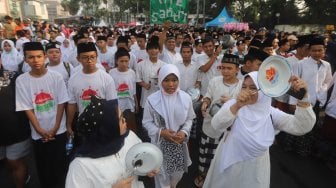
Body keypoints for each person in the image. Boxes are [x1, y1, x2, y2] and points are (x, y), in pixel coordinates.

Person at [203, 71, 316, 188]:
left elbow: (301, 126)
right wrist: (237, 106)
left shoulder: (270, 113)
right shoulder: (233, 105)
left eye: (253, 88)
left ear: (263, 91)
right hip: (228, 165)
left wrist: (303, 99)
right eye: (244, 87)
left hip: (254, 170)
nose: (247, 91)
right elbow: (216, 125)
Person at [66, 96, 159, 188]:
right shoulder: (80, 166)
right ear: (107, 128)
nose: (125, 120)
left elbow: (140, 161)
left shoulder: (129, 137)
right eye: (120, 119)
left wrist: (147, 169)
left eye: (123, 115)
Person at [15, 42, 69, 188]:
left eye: (39, 56)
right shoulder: (21, 80)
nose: (36, 60)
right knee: (43, 168)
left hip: (59, 130)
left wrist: (56, 127)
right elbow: (27, 108)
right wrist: (39, 129)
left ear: (44, 57)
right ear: (25, 59)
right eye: (31, 57)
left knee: (61, 166)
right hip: (38, 133)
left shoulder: (56, 77)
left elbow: (61, 103)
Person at [143, 64, 195, 188]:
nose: (171, 84)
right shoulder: (152, 100)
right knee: (161, 177)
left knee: (177, 176)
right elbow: (146, 122)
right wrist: (161, 132)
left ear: (179, 80)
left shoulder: (185, 98)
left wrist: (184, 132)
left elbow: (189, 118)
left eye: (174, 80)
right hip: (160, 145)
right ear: (160, 80)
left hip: (178, 144)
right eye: (166, 80)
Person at [195, 54, 243, 187]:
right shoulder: (214, 81)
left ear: (237, 69)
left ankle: (219, 180)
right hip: (211, 125)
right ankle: (202, 176)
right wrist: (205, 103)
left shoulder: (243, 86)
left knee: (224, 157)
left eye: (229, 68)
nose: (225, 71)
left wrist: (232, 102)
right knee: (206, 155)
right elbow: (208, 96)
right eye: (223, 68)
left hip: (231, 129)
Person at [66, 42, 117, 136]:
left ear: (97, 57)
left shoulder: (106, 78)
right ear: (78, 59)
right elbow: (72, 104)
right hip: (83, 124)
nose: (89, 60)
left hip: (103, 124)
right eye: (85, 57)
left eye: (92, 57)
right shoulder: (73, 80)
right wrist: (68, 125)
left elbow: (112, 104)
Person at [0, 63, 31, 188]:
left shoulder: (14, 76)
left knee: (14, 161)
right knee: (7, 162)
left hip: (16, 129)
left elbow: (28, 98)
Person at [109, 48, 138, 133]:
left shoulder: (132, 73)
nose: (124, 63)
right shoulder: (111, 73)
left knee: (131, 129)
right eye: (121, 61)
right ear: (116, 61)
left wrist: (135, 103)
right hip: (117, 107)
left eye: (126, 61)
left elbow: (133, 90)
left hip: (129, 105)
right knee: (119, 129)